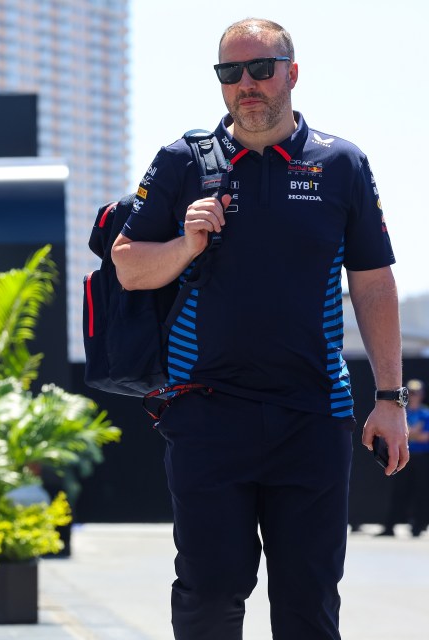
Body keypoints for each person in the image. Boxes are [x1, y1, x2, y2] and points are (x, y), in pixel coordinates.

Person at [111, 18, 408, 639]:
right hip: (207, 414)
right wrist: (187, 244)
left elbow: (374, 282)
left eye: (260, 69)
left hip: (313, 415)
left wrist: (390, 399)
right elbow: (129, 266)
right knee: (209, 595)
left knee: (308, 603)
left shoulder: (342, 163)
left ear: (290, 73)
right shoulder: (182, 161)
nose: (246, 84)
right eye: (230, 73)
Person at [377, 379, 429, 537]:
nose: (413, 396)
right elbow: (398, 434)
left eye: (416, 393)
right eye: (410, 393)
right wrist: (412, 432)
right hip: (403, 456)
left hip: (421, 458)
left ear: (422, 395)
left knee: (421, 493)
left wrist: (409, 432)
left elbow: (424, 437)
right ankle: (389, 527)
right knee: (398, 492)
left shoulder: (425, 413)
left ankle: (418, 527)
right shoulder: (401, 411)